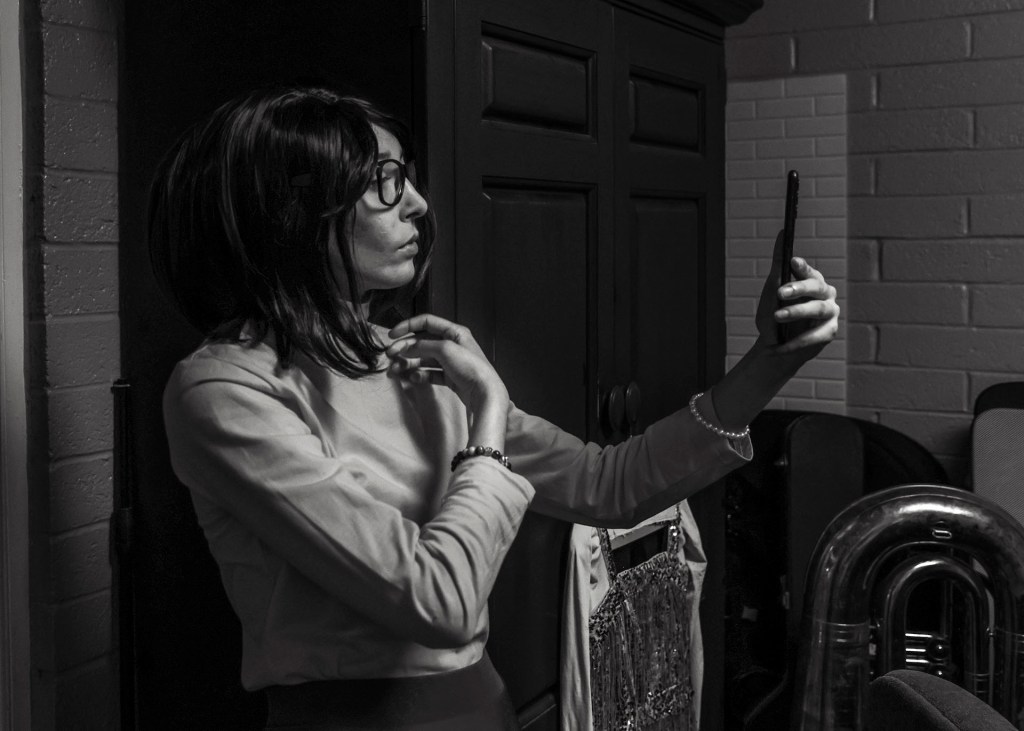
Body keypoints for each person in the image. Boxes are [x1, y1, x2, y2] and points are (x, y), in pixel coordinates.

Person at [149, 85, 839, 731]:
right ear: (293, 213)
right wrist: (486, 417)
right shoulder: (227, 389)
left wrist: (771, 359)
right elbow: (437, 600)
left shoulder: (411, 358)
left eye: (407, 177)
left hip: (483, 703)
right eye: (385, 182)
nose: (417, 204)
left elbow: (611, 484)